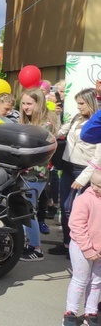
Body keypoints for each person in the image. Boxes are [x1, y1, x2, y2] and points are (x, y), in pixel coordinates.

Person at [50, 88, 101, 257]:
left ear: (92, 102)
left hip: (85, 172)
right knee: (65, 207)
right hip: (68, 168)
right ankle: (67, 244)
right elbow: (58, 133)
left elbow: (97, 157)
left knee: (81, 211)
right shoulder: (76, 118)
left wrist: (84, 178)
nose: (78, 107)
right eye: (77, 103)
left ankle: (81, 247)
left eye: (81, 103)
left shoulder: (96, 125)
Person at [18, 87, 59, 261]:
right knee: (22, 210)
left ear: (39, 103)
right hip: (25, 173)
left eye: (29, 104)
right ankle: (28, 244)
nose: (26, 107)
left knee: (27, 211)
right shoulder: (28, 121)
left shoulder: (45, 124)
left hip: (36, 174)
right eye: (23, 103)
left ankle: (36, 248)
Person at [61, 169, 101, 326]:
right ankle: (70, 311)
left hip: (99, 249)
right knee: (80, 280)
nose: (97, 188)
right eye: (94, 185)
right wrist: (88, 249)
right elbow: (77, 226)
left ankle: (91, 311)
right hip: (81, 247)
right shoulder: (84, 200)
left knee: (97, 281)